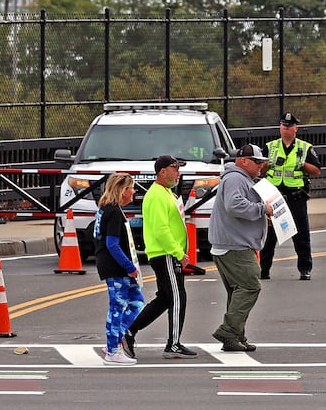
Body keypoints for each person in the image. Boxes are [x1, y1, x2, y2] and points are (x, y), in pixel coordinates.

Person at [123, 155, 197, 360]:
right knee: (177, 297)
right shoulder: (156, 195)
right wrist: (178, 253)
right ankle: (173, 344)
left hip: (166, 253)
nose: (178, 173)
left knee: (165, 298)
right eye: (175, 169)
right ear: (162, 171)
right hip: (165, 254)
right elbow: (161, 229)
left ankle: (129, 330)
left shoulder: (166, 193)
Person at [210, 144, 276, 353]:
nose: (261, 166)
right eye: (257, 162)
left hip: (232, 243)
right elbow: (234, 205)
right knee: (250, 286)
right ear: (243, 161)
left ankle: (236, 336)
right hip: (235, 245)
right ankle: (228, 331)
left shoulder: (240, 178)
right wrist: (261, 209)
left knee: (237, 292)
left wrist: (262, 216)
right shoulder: (236, 178)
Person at [261, 112, 321, 281]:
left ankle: (305, 269)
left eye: (289, 126)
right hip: (275, 197)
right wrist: (269, 163)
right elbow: (260, 170)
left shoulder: (305, 147)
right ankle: (263, 270)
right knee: (269, 236)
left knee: (301, 235)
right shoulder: (271, 147)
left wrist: (302, 164)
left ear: (296, 128)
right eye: (283, 126)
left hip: (296, 197)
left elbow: (317, 170)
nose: (285, 129)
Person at [95, 172, 144, 366]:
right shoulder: (113, 212)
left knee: (137, 303)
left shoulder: (107, 209)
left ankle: (114, 341)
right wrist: (129, 266)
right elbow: (112, 244)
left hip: (116, 266)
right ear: (123, 191)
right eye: (131, 188)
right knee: (117, 308)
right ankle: (113, 350)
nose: (134, 191)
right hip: (115, 267)